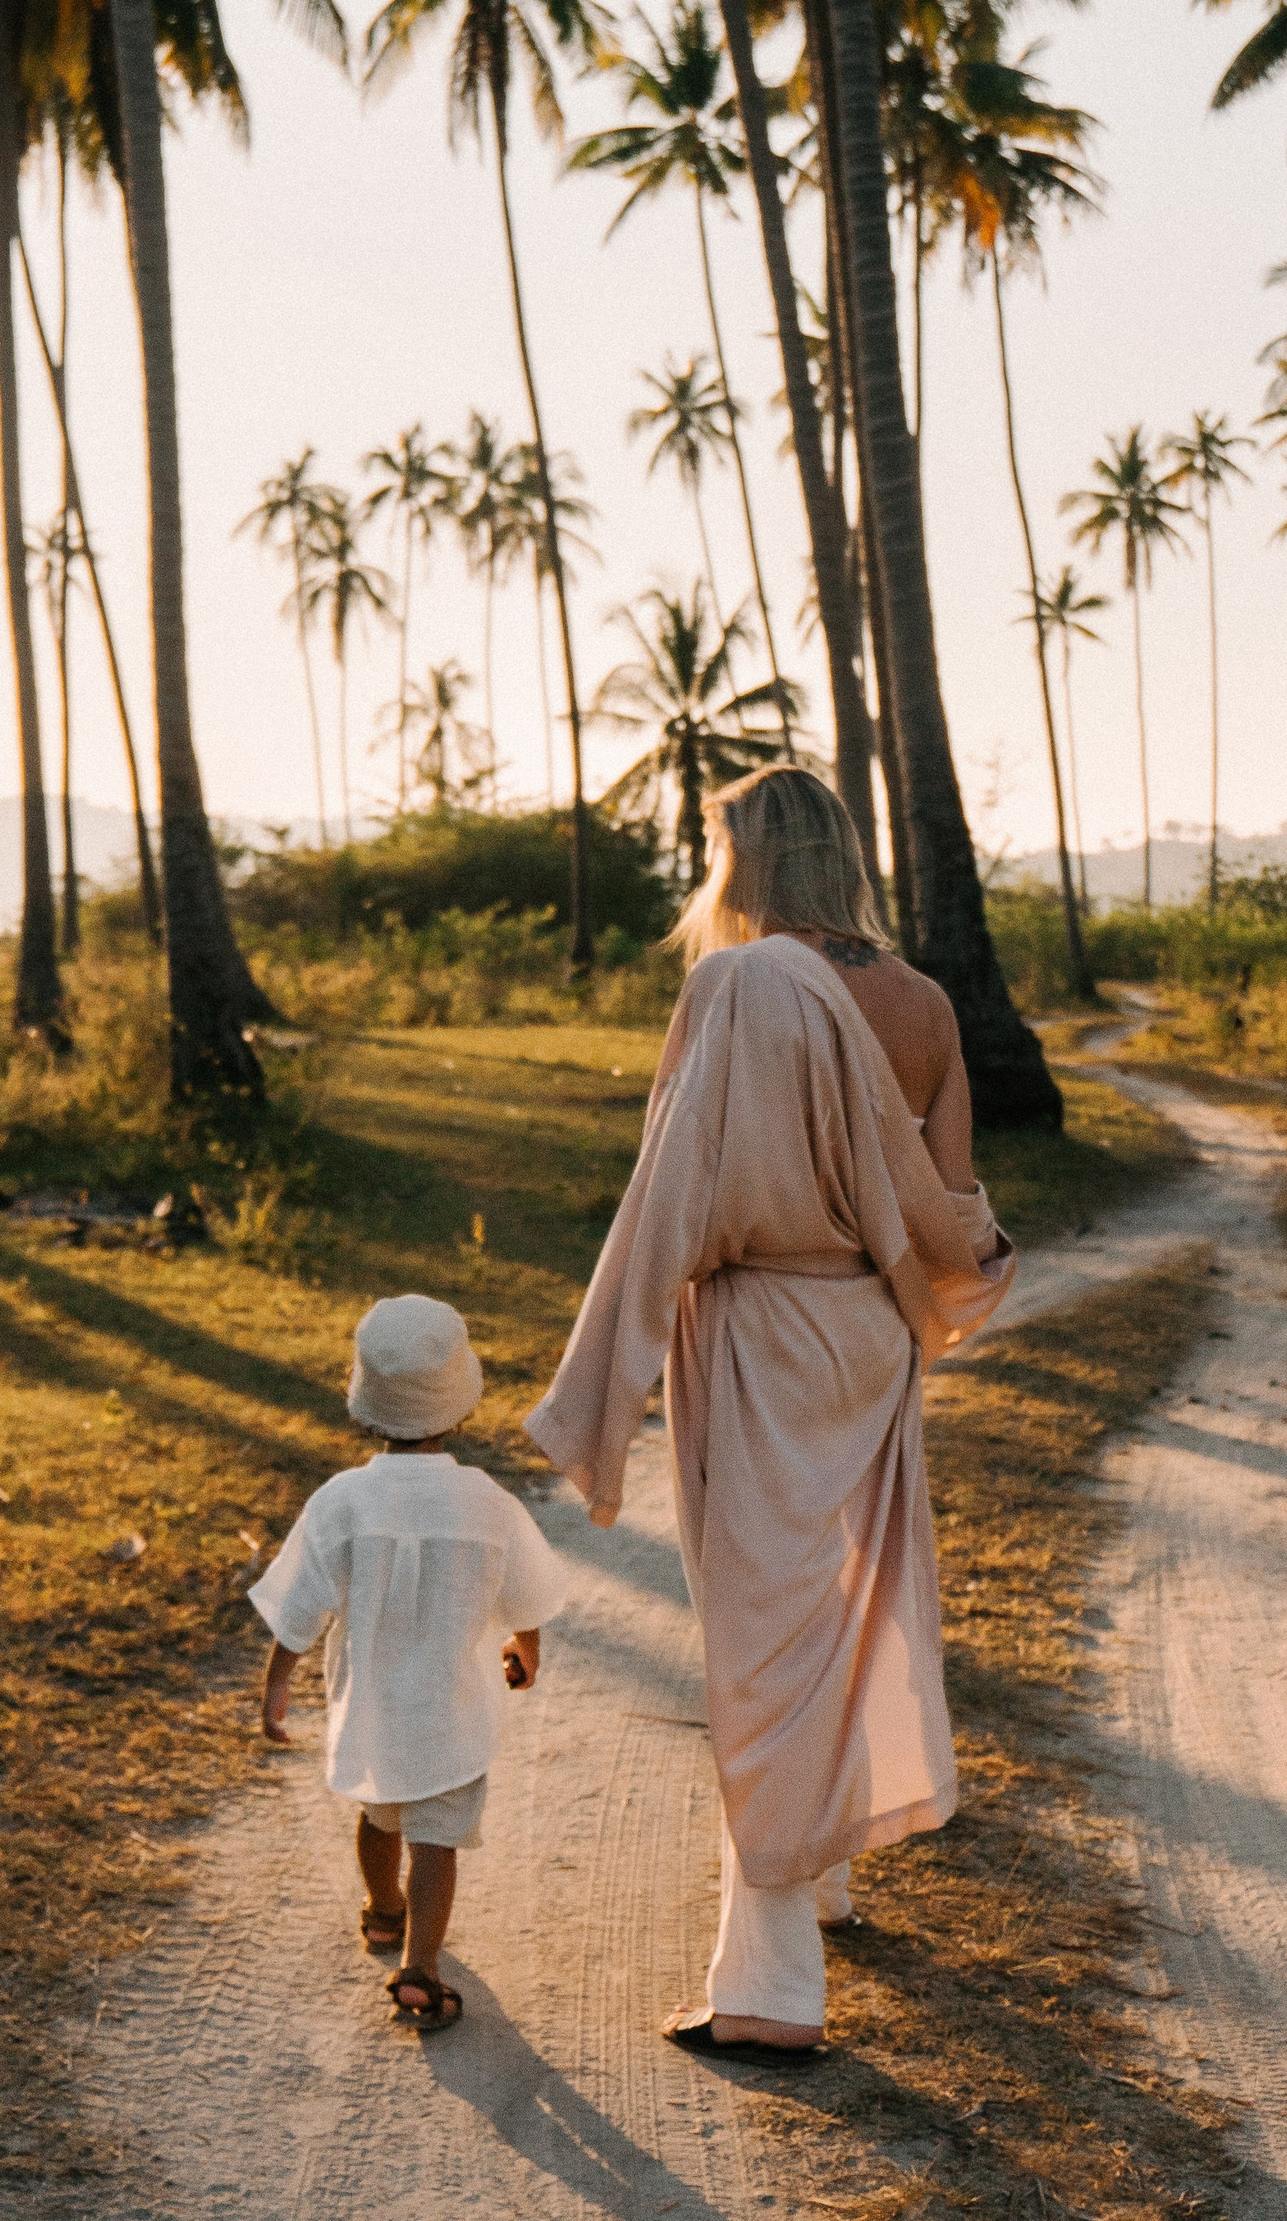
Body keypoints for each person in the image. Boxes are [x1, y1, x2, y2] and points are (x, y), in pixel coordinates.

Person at [525, 763, 1016, 2064]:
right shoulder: (920, 1001)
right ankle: (828, 1873)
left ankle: (771, 1988)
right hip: (868, 1337)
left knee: (763, 1648)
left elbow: (673, 1195)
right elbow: (955, 1211)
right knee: (832, 1621)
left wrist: (603, 1376)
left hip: (761, 1337)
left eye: (711, 844)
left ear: (745, 857)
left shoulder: (737, 985)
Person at [252, 1291, 569, 2033]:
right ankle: (421, 1967)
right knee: (437, 1838)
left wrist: (276, 1688)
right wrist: (525, 1650)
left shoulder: (343, 1500)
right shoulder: (485, 1501)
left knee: (378, 1810)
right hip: (451, 1713)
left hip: (371, 1705)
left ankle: (382, 1911)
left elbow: (300, 1605)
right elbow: (526, 1596)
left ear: (366, 1403)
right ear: (459, 1403)